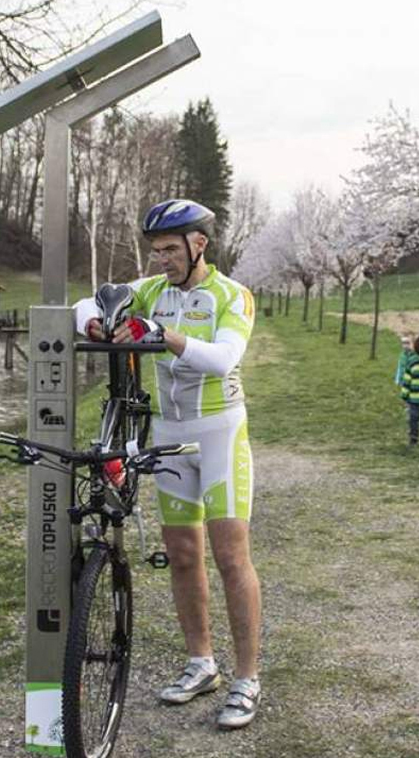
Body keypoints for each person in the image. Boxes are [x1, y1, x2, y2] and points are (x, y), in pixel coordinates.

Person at [74, 199, 261, 730]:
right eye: (155, 251)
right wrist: (94, 322)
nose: (160, 260)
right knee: (181, 553)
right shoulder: (153, 290)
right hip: (173, 435)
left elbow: (225, 357)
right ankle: (201, 663)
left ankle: (247, 677)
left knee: (230, 555)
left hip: (220, 433)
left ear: (198, 244)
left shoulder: (232, 296)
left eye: (170, 250)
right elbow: (89, 301)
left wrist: (162, 336)